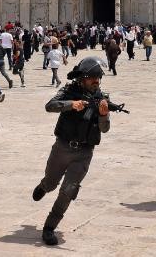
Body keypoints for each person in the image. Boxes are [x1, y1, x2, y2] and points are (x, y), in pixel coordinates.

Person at [31, 57, 115, 246]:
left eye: (98, 77)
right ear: (83, 78)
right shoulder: (68, 91)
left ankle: (50, 227)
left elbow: (105, 129)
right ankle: (44, 186)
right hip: (62, 148)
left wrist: (103, 115)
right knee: (52, 183)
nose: (96, 81)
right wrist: (71, 104)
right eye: (93, 77)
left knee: (69, 190)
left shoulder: (101, 98)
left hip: (84, 153)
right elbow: (50, 106)